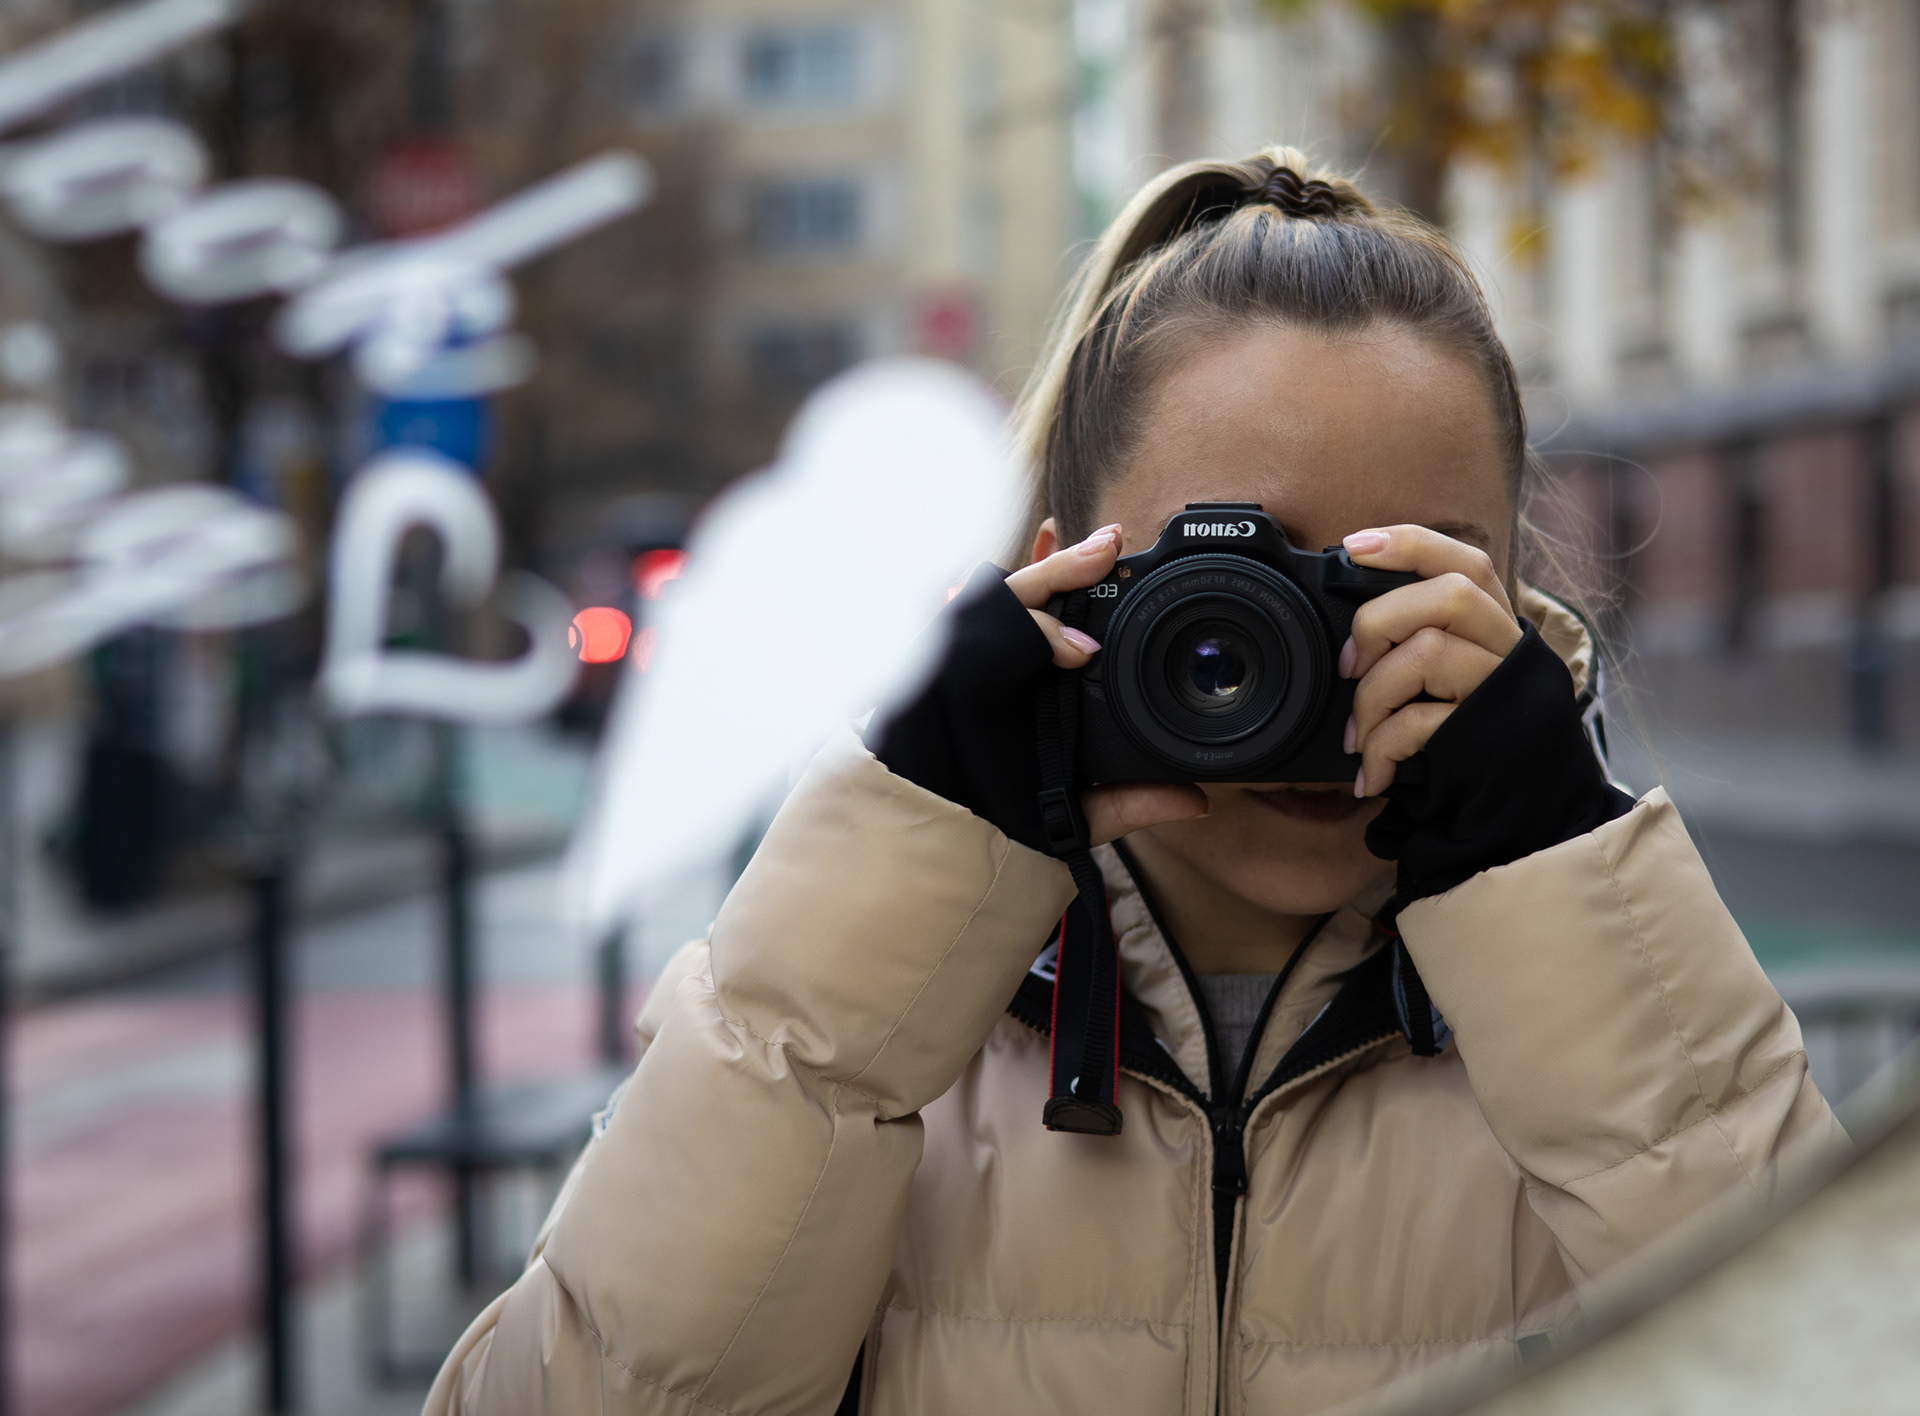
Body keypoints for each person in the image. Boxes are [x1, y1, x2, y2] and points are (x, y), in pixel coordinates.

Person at [426, 148, 1842, 1416]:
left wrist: (1560, 878)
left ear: (1514, 606)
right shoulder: (885, 1043)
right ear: (1069, 578)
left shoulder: (1608, 1045)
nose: (1316, 662)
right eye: (1229, 588)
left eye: (1393, 578)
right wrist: (883, 910)